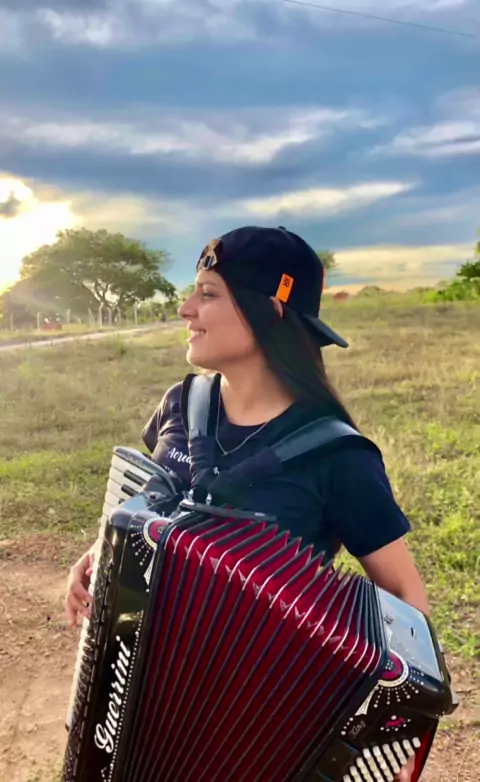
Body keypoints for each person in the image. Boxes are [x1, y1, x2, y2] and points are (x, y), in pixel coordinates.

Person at [66, 225, 429, 782]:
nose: (186, 309)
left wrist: (393, 735)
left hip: (247, 726)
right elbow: (148, 509)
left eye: (208, 294)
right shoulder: (181, 404)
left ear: (271, 311)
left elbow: (404, 596)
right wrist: (100, 551)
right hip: (133, 694)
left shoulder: (336, 454)